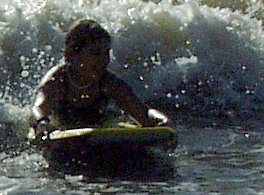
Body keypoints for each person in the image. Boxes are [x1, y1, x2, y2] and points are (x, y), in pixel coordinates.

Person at [30, 19, 167, 136]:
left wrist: (162, 120)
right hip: (62, 129)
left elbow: (143, 112)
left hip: (98, 127)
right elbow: (38, 108)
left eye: (106, 53)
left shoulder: (107, 82)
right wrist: (42, 123)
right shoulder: (58, 80)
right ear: (72, 54)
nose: (103, 60)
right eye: (95, 53)